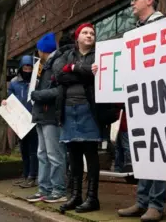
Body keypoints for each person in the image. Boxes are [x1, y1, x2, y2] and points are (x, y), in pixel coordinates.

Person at [117, 0, 166, 222]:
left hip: (159, 96)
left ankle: (156, 204)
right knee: (144, 152)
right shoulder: (136, 32)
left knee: (158, 152)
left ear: (149, 1)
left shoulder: (162, 24)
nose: (131, 4)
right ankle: (142, 201)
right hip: (141, 98)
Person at [53, 23, 102, 213]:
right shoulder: (66, 54)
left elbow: (95, 77)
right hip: (68, 109)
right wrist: (82, 71)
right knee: (73, 156)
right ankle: (76, 196)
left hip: (88, 109)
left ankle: (92, 197)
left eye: (92, 33)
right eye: (85, 32)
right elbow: (59, 75)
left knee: (91, 153)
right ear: (77, 36)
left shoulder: (99, 54)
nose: (89, 36)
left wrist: (72, 69)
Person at [26, 32, 67, 203]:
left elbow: (60, 90)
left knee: (53, 154)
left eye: (38, 51)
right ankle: (45, 188)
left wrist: (37, 95)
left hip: (49, 114)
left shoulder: (55, 64)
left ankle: (58, 189)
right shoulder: (47, 65)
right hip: (43, 114)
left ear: (42, 51)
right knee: (43, 153)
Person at [3, 55, 39, 189]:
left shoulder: (37, 82)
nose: (27, 70)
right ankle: (25, 174)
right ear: (21, 68)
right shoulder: (14, 82)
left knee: (33, 149)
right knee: (23, 149)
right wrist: (5, 102)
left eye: (30, 67)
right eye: (25, 67)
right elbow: (10, 98)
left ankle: (32, 176)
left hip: (33, 119)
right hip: (20, 120)